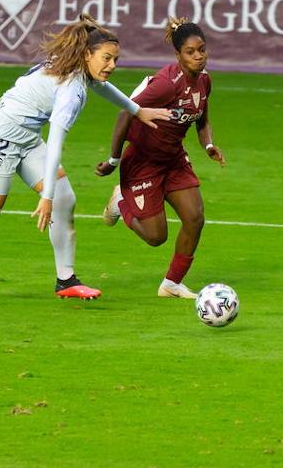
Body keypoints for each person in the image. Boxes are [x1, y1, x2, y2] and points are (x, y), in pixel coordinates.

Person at [0, 15, 172, 299]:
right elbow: (55, 142)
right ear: (86, 54)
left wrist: (137, 110)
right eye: (107, 58)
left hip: (26, 138)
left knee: (66, 200)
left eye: (115, 59)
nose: (112, 66)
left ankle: (66, 281)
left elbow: (100, 85)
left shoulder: (73, 66)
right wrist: (46, 196)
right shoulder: (71, 92)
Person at [95, 17, 225, 299]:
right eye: (191, 52)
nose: (199, 56)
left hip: (174, 159)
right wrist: (114, 160)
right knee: (156, 237)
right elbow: (124, 113)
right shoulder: (166, 84)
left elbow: (201, 119)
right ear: (177, 55)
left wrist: (209, 144)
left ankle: (171, 284)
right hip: (143, 162)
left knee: (195, 217)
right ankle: (120, 201)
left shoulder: (204, 81)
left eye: (202, 49)